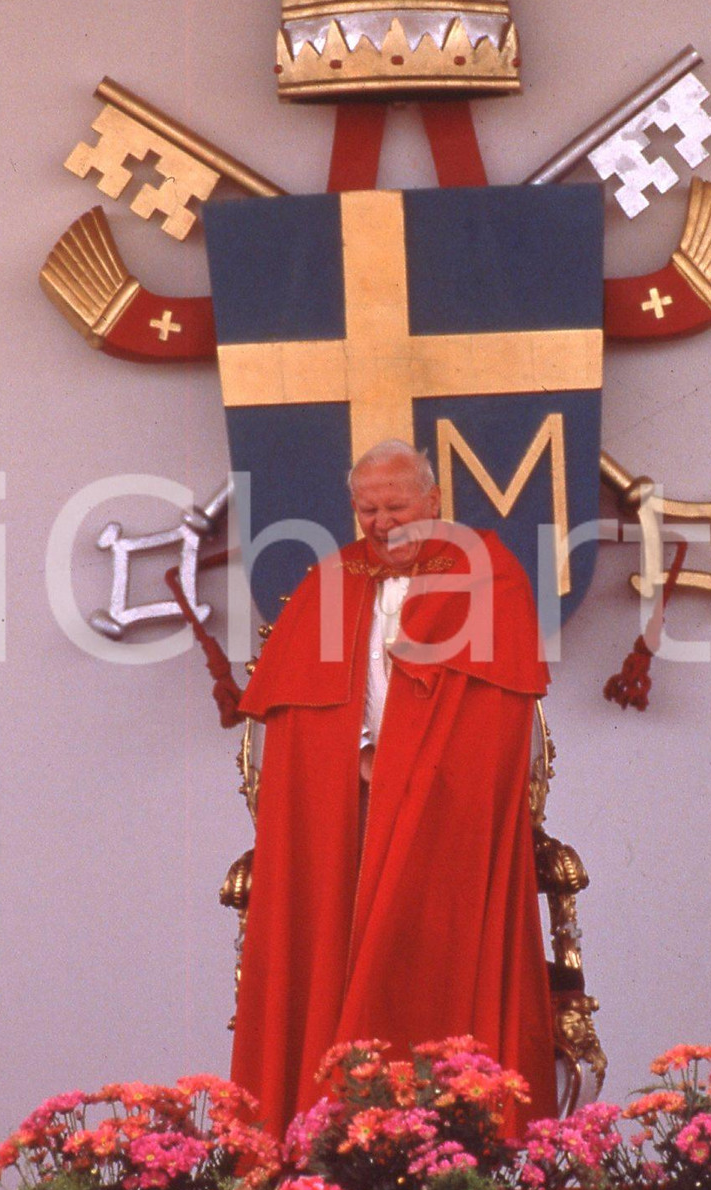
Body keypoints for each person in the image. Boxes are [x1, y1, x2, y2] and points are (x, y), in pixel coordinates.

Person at [229, 440, 556, 1137]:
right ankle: (330, 1125)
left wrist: (418, 769)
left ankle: (455, 1131)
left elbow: (492, 716)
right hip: (351, 805)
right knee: (336, 955)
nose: (381, 522)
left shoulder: (483, 571)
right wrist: (360, 757)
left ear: (434, 502)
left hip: (445, 812)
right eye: (367, 509)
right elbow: (303, 718)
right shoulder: (332, 578)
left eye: (396, 505)